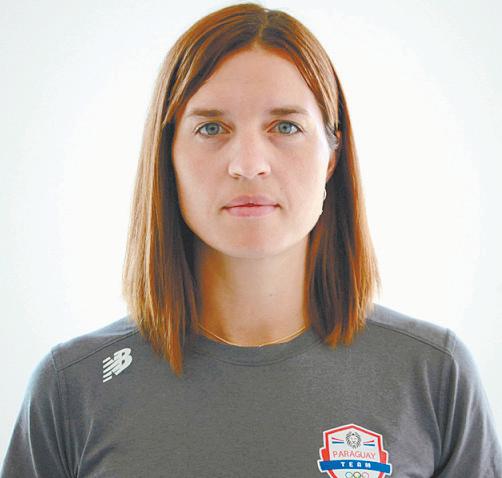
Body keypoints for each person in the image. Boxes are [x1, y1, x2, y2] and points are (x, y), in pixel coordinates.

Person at [2, 3, 501, 477]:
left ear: (331, 156)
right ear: (167, 155)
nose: (248, 164)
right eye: (211, 128)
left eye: (285, 126)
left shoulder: (432, 374)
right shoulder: (73, 388)